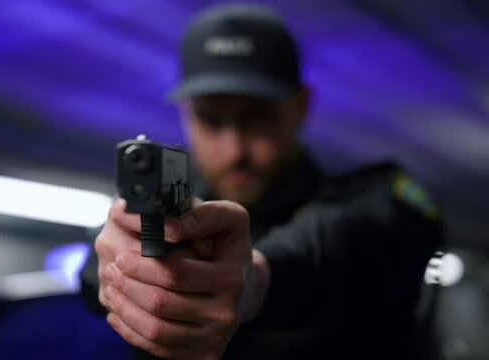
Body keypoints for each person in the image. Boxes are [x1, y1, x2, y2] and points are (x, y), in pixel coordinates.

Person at [80, 4, 442, 359]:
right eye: (210, 120)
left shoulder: (369, 206)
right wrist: (120, 267)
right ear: (185, 112)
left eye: (257, 118)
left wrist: (253, 281)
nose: (234, 150)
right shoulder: (177, 210)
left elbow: (355, 237)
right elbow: (92, 265)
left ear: (300, 106)